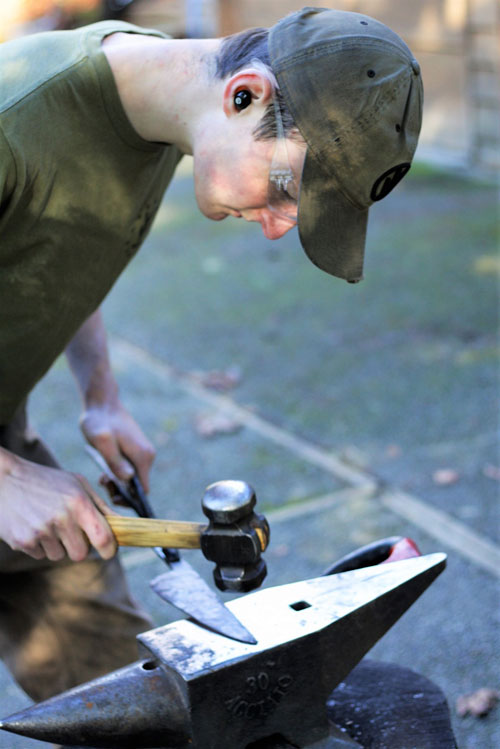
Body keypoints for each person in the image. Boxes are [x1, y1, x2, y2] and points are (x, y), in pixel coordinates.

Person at [0, 6, 423, 707]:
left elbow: (62, 241)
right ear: (244, 93)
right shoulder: (16, 122)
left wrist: (99, 390)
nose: (277, 226)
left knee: (104, 644)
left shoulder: (162, 110)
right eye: (289, 188)